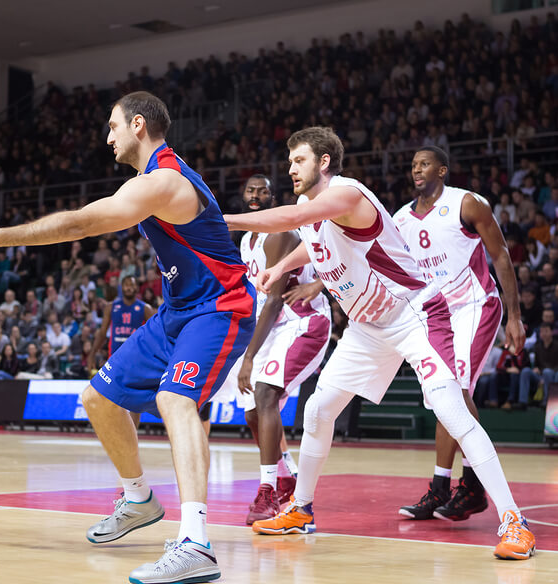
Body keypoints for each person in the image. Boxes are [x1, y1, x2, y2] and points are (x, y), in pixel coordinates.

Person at [0, 91, 255, 584]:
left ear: (139, 126)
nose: (107, 137)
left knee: (175, 399)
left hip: (219, 307)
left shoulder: (163, 180)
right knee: (98, 398)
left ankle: (196, 543)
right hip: (177, 311)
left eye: (112, 127)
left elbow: (82, 223)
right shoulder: (154, 180)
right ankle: (138, 499)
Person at [226, 126, 534, 561]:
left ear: (324, 163)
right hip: (366, 327)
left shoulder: (348, 194)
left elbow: (292, 222)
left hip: (414, 315)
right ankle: (302, 509)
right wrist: (280, 269)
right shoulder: (306, 206)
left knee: (452, 409)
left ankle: (513, 520)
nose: (290, 167)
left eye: (299, 160)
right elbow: (312, 242)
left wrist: (223, 221)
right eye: (290, 160)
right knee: (318, 410)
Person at [393, 146, 525, 522]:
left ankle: (467, 488)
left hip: (475, 305)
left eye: (425, 164)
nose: (417, 170)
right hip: (435, 315)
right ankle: (448, 487)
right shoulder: (400, 217)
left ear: (443, 170)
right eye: (414, 165)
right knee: (443, 397)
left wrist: (514, 315)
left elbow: (500, 255)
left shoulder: (467, 203)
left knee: (456, 391)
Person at [211, 174, 330, 525]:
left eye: (263, 191)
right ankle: (288, 475)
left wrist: (248, 356)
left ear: (273, 198)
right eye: (250, 190)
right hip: (270, 326)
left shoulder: (280, 233)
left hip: (301, 323)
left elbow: (275, 300)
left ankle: (266, 492)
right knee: (252, 413)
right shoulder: (248, 239)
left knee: (264, 396)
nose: (256, 195)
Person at [88, 275, 156, 373]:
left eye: (132, 285)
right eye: (126, 285)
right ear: (121, 287)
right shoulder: (111, 307)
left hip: (137, 359)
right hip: (114, 358)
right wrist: (92, 353)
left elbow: (154, 336)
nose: (129, 288)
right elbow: (102, 333)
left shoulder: (145, 308)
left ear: (137, 288)